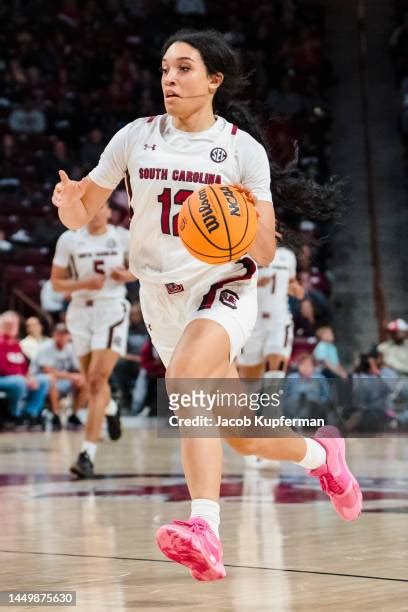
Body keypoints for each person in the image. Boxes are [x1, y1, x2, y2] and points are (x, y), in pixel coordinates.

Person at [52, 29, 362, 581]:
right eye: (165, 68)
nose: (169, 78)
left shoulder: (243, 150)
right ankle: (323, 458)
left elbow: (265, 248)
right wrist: (70, 205)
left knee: (190, 381)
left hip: (223, 289)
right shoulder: (136, 137)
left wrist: (237, 219)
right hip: (161, 298)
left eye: (184, 68)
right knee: (240, 434)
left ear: (214, 80)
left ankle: (205, 528)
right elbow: (81, 215)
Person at [50, 201, 135, 477]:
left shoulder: (122, 237)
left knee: (97, 380)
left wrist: (129, 275)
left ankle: (87, 454)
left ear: (109, 212)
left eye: (102, 207)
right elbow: (56, 283)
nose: (97, 212)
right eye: (92, 207)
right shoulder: (69, 239)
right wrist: (83, 284)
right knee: (92, 382)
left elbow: (144, 268)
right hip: (80, 313)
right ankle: (111, 407)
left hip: (111, 309)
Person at [238, 246, 304, 379]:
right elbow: (233, 285)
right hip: (252, 320)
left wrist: (297, 290)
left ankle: (272, 400)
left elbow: (293, 284)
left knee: (276, 369)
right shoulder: (245, 251)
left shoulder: (288, 256)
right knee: (248, 377)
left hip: (279, 319)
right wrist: (255, 284)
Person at [34, 323, 88, 431]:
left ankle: (74, 415)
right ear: (54, 334)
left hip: (63, 380)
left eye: (65, 334)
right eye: (60, 334)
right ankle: (55, 415)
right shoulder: (46, 347)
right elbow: (47, 370)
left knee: (84, 382)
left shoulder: (70, 348)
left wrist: (80, 376)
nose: (62, 337)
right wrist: (71, 376)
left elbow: (78, 368)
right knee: (51, 379)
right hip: (41, 379)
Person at [0, 310, 50, 425]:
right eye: (8, 324)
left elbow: (23, 367)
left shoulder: (16, 344)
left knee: (43, 380)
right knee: (19, 382)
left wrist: (29, 377)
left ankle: (29, 413)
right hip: (4, 379)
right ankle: (14, 414)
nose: (11, 327)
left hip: (18, 378)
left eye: (14, 324)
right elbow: (2, 369)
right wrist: (24, 378)